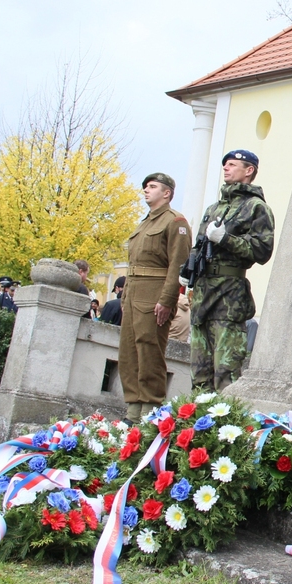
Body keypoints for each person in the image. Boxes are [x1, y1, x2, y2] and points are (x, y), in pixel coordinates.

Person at [188, 150, 274, 393]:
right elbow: (199, 245)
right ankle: (197, 424)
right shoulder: (214, 208)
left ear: (249, 171)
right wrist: (188, 269)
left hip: (229, 297)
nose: (226, 168)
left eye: (233, 164)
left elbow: (262, 250)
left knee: (225, 371)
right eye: (225, 164)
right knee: (199, 370)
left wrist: (226, 239)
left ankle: (224, 426)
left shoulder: (256, 208)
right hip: (203, 294)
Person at [118, 174, 192, 425]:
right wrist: (125, 293)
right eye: (145, 187)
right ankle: (132, 408)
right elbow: (134, 265)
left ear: (167, 193)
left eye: (152, 187)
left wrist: (168, 299)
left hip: (155, 293)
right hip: (134, 292)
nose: (145, 191)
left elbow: (178, 265)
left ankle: (149, 407)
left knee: (149, 349)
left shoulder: (175, 222)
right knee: (129, 351)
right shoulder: (144, 224)